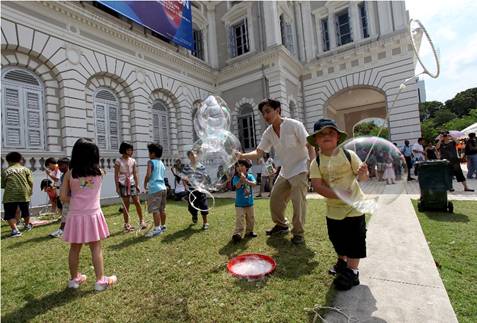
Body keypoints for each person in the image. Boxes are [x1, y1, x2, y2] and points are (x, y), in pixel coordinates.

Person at [238, 99, 315, 244]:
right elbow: (259, 153)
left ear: (277, 110)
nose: (265, 116)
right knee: (275, 199)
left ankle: (298, 233)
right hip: (285, 170)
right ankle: (281, 225)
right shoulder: (268, 133)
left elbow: (309, 145)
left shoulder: (294, 125)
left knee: (298, 201)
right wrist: (242, 156)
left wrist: (313, 164)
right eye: (263, 113)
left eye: (268, 111)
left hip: (300, 167)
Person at [308, 119, 369, 291]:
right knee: (337, 239)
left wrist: (364, 173)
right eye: (322, 134)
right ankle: (342, 261)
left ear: (337, 138)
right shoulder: (316, 163)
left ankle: (352, 271)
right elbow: (318, 186)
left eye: (331, 133)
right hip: (333, 210)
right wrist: (338, 194)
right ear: (316, 140)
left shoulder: (349, 155)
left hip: (355, 206)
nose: (326, 136)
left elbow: (363, 178)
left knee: (355, 241)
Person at [61, 138, 117, 291]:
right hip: (93, 215)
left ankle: (74, 280)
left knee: (75, 247)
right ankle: (100, 281)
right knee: (96, 247)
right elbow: (89, 186)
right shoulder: (100, 173)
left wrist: (76, 199)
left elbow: (63, 197)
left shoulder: (69, 174)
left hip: (75, 215)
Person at [114, 142, 145, 232]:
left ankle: (141, 221)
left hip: (132, 184)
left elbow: (135, 174)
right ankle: (127, 224)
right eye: (128, 149)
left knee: (137, 202)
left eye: (131, 149)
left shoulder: (133, 160)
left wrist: (137, 184)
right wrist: (117, 187)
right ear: (124, 150)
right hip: (123, 184)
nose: (131, 151)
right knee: (126, 205)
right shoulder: (118, 161)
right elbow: (116, 175)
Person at [1, 152, 34, 237]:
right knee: (25, 211)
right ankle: (27, 225)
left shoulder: (5, 171)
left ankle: (15, 230)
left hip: (9, 196)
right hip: (24, 194)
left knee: (9, 214)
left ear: (8, 161)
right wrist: (30, 191)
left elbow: (3, 185)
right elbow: (30, 182)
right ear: (20, 160)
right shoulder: (26, 169)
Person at [144, 143, 167, 238]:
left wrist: (145, 183)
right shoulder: (161, 163)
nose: (148, 154)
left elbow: (148, 175)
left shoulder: (150, 162)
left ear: (153, 154)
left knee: (155, 209)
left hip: (155, 189)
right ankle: (163, 226)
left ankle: (157, 229)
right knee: (162, 209)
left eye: (149, 152)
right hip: (163, 188)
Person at [182, 150, 210, 230]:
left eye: (194, 154)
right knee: (191, 207)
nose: (193, 155)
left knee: (204, 206)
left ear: (197, 155)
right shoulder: (187, 167)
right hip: (191, 191)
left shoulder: (201, 167)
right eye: (191, 154)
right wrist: (185, 186)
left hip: (200, 190)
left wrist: (201, 184)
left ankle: (205, 223)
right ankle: (194, 215)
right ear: (189, 157)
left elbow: (204, 177)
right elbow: (183, 178)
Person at [231, 160, 257, 243]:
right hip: (240, 204)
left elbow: (254, 184)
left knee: (251, 218)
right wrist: (241, 180)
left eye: (242, 166)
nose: (240, 167)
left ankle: (249, 232)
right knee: (240, 219)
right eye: (238, 166)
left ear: (247, 168)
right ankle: (238, 234)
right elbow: (237, 186)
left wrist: (246, 180)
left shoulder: (250, 176)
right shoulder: (236, 178)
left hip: (249, 203)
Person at [49, 157, 71, 238]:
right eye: (59, 165)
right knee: (66, 214)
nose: (60, 167)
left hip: (69, 199)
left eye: (61, 165)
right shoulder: (64, 175)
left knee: (65, 215)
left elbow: (84, 185)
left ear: (67, 165)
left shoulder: (71, 174)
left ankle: (62, 230)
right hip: (65, 199)